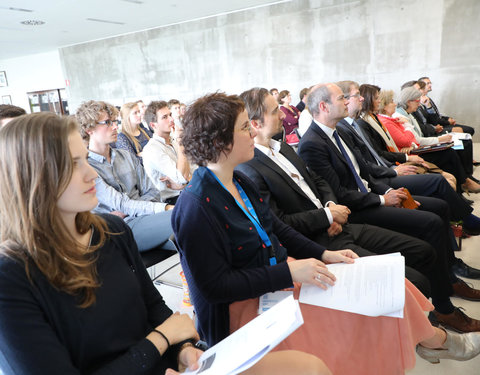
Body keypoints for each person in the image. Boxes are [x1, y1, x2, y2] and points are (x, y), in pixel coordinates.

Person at [171, 92, 480, 374]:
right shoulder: (195, 206)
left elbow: (276, 228)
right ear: (218, 143)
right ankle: (429, 340)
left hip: (277, 276)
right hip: (247, 306)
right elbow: (215, 287)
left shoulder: (238, 181)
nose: (252, 132)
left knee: (385, 282)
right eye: (243, 128)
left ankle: (434, 338)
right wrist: (290, 270)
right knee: (348, 325)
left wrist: (322, 254)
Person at [0, 112, 328, 375]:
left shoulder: (111, 232)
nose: (91, 176)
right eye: (72, 165)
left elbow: (155, 309)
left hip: (165, 363)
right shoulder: (12, 277)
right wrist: (162, 341)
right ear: (33, 177)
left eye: (84, 159)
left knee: (311, 367)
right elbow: (165, 327)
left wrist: (182, 351)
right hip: (152, 359)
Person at [297, 83, 480, 331]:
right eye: (342, 97)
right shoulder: (312, 143)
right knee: (431, 222)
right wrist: (383, 199)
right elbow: (340, 193)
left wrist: (387, 191)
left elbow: (363, 174)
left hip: (371, 195)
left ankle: (448, 277)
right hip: (357, 210)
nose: (348, 101)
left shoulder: (335, 132)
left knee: (438, 207)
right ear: (323, 106)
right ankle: (443, 307)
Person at [236, 87, 435, 296]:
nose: (284, 114)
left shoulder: (282, 148)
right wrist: (327, 216)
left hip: (341, 225)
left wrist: (331, 207)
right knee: (415, 281)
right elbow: (280, 223)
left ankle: (439, 310)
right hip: (318, 242)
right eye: (276, 110)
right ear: (256, 123)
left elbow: (318, 180)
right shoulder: (249, 168)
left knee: (423, 251)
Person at [75, 100, 175, 253]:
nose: (115, 127)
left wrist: (132, 207)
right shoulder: (87, 167)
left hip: (142, 219)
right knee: (183, 219)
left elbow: (152, 192)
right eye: (107, 122)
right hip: (119, 230)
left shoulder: (126, 156)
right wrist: (166, 208)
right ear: (90, 129)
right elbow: (121, 204)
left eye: (115, 122)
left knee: (191, 233)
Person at [142, 101, 191, 205]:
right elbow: (182, 178)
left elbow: (193, 170)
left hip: (187, 191)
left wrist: (185, 182)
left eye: (170, 115)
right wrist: (181, 143)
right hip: (173, 201)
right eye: (165, 117)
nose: (171, 119)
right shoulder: (152, 149)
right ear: (153, 125)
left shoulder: (173, 140)